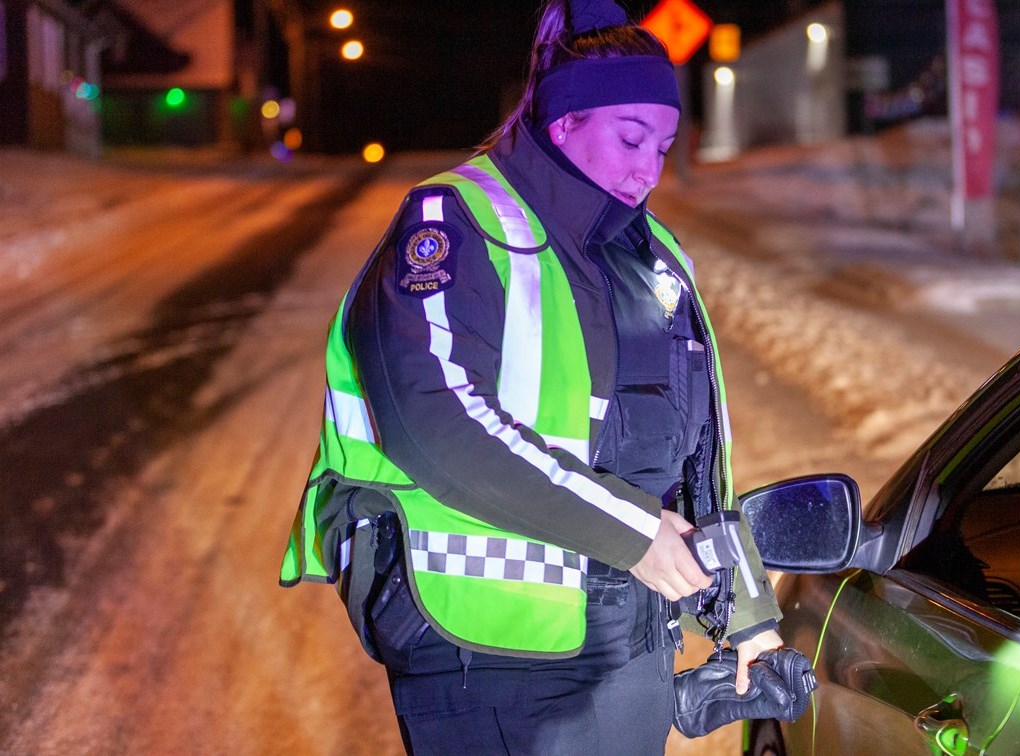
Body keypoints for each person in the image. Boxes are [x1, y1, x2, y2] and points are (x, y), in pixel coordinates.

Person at [278, 0, 785, 752]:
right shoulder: (458, 221)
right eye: (629, 137)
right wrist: (633, 531)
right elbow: (434, 418)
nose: (647, 167)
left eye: (664, 145)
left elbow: (695, 454)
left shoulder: (657, 257)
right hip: (485, 645)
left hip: (626, 640)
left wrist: (743, 611)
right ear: (563, 122)